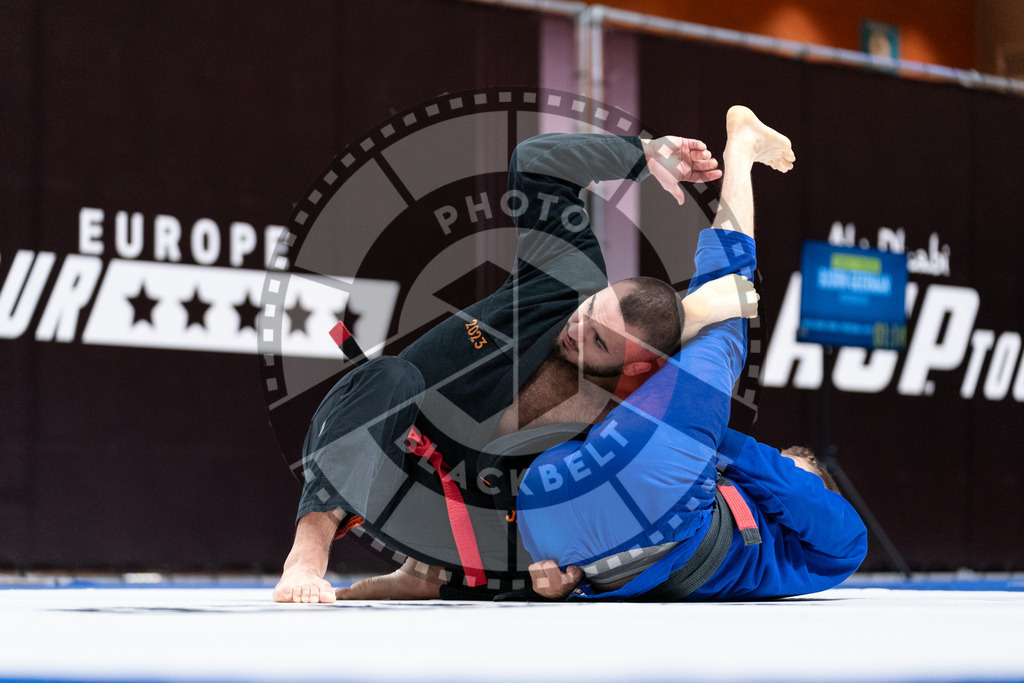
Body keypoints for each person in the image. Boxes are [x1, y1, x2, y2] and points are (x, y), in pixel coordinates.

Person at [273, 116, 755, 603]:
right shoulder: (565, 283)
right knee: (387, 376)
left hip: (463, 523)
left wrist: (570, 573)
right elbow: (535, 165)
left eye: (599, 342)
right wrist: (642, 154)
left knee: (555, 519)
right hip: (379, 458)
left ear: (637, 367)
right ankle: (306, 556)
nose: (576, 328)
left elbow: (729, 280)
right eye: (589, 311)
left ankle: (430, 575)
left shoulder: (645, 406)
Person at [519, 106, 868, 602]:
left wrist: (721, 439)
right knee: (606, 375)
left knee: (729, 313)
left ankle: (740, 154)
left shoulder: (836, 551)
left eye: (795, 466)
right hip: (560, 511)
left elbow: (801, 497)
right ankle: (685, 319)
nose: (776, 467)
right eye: (788, 462)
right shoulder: (714, 486)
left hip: (634, 515)